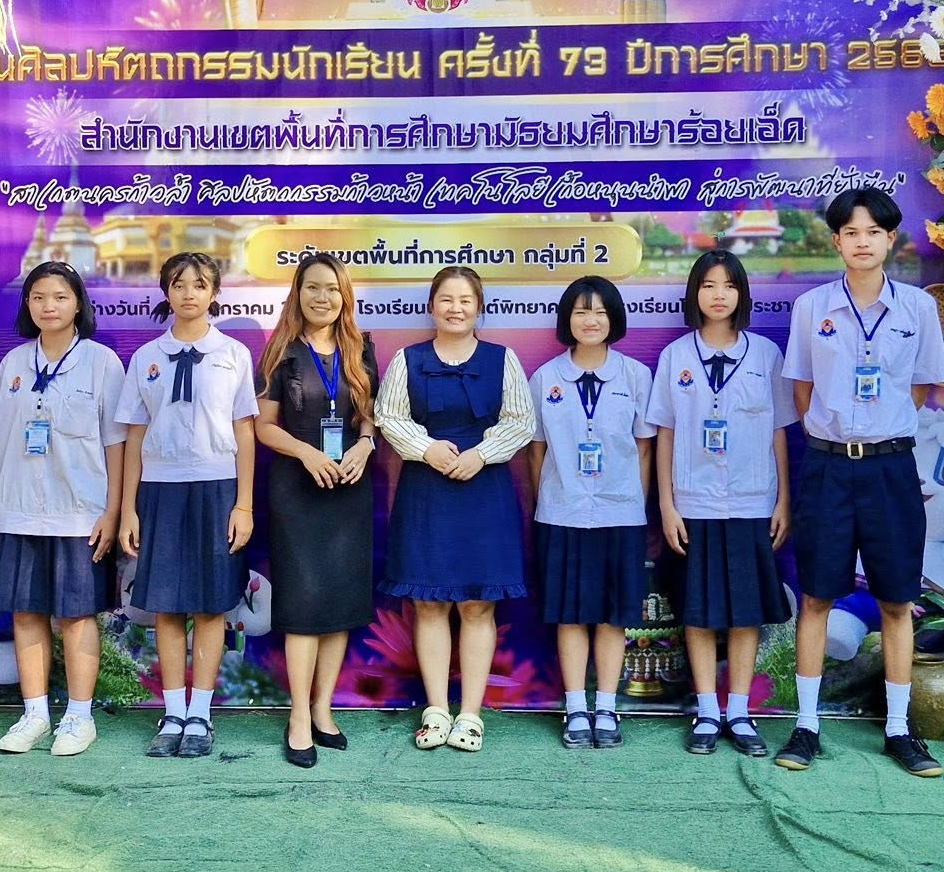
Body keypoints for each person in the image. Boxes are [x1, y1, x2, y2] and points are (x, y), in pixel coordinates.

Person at [778, 187, 944, 778]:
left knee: (897, 598)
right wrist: (840, 434)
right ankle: (806, 726)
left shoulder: (917, 309)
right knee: (817, 596)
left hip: (890, 467)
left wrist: (879, 432)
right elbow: (803, 389)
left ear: (890, 240)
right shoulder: (813, 308)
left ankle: (899, 730)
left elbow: (920, 388)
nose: (862, 242)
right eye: (850, 232)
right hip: (828, 466)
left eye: (873, 232)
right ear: (836, 241)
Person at [375, 266, 534, 753]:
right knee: (429, 602)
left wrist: (480, 455)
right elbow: (388, 416)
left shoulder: (502, 360)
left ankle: (470, 715)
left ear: (479, 307)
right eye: (446, 299)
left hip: (484, 490)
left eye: (465, 300)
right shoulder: (408, 359)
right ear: (432, 306)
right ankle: (437, 710)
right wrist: (427, 449)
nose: (455, 308)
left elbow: (521, 421)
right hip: (427, 489)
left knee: (478, 603)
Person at [0, 262, 126, 757]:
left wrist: (112, 512)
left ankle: (79, 717)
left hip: (81, 513)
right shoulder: (14, 362)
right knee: (26, 613)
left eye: (60, 296)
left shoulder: (102, 363)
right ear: (28, 305)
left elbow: (118, 445)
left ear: (78, 303)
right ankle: (35, 714)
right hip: (19, 510)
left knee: (78, 616)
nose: (49, 306)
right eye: (38, 297)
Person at [649, 249, 795, 758]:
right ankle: (707, 710)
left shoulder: (765, 356)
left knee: (745, 611)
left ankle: (739, 711)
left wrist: (783, 500)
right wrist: (667, 504)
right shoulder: (676, 357)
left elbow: (779, 432)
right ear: (694, 294)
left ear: (741, 294)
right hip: (694, 503)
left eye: (728, 285)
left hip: (753, 502)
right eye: (708, 285)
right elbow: (665, 433)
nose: (718, 295)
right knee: (697, 609)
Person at [115, 252, 258, 759]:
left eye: (199, 285)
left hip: (218, 488)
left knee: (212, 605)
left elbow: (245, 432)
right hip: (161, 490)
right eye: (179, 284)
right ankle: (173, 712)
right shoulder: (146, 357)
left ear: (215, 293)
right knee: (168, 605)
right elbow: (134, 436)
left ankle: (200, 714)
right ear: (166, 292)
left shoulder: (233, 354)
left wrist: (243, 505)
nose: (189, 293)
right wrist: (129, 509)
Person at [254, 254, 381, 769]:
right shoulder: (280, 352)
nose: (322, 297)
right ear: (298, 293)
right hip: (297, 490)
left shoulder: (361, 349)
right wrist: (307, 453)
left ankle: (323, 709)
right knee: (304, 607)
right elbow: (264, 426)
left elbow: (369, 419)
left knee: (340, 603)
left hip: (349, 487)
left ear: (343, 295)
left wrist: (365, 445)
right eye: (312, 287)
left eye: (331, 288)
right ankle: (298, 718)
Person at [527, 275, 654, 750]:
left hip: (620, 514)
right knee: (570, 614)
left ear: (613, 318)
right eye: (581, 311)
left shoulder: (635, 376)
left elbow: (645, 449)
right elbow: (536, 452)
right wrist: (550, 499)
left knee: (612, 616)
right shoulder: (546, 379)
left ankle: (607, 706)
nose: (591, 320)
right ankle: (576, 707)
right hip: (561, 513)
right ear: (568, 319)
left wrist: (635, 505)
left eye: (600, 311)